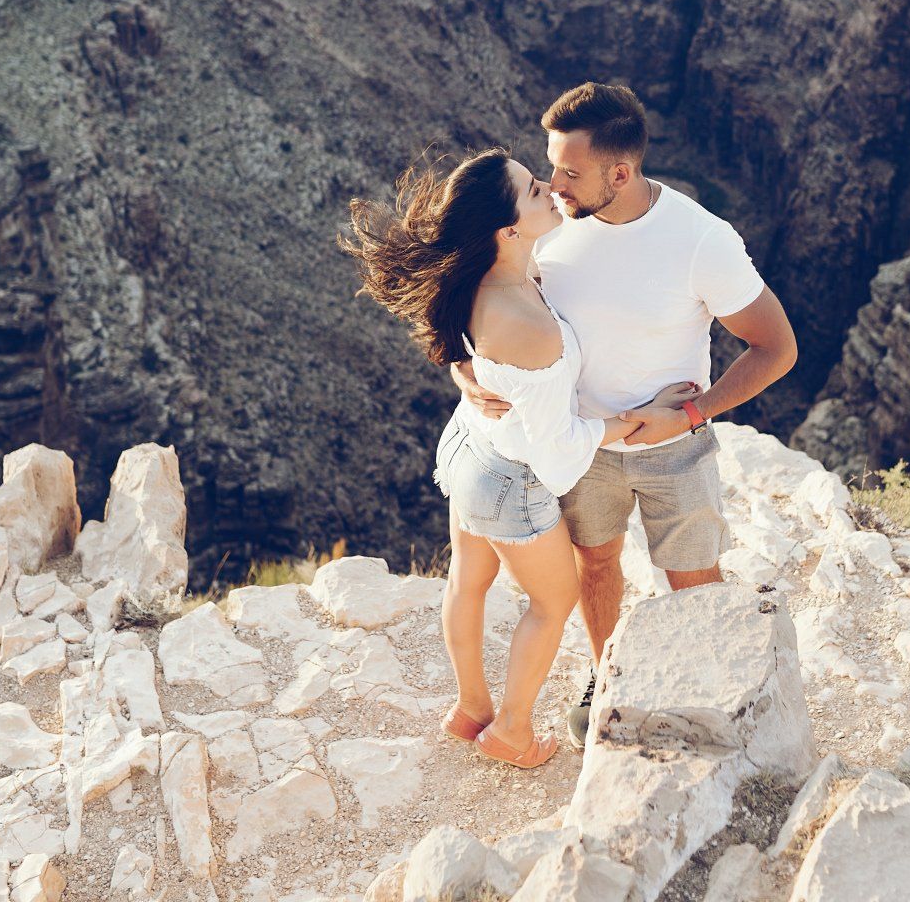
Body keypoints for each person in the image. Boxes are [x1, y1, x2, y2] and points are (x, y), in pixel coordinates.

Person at [453, 82, 797, 747]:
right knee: (596, 565)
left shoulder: (702, 240)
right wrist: (464, 369)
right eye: (549, 166)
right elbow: (472, 298)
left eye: (570, 172)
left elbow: (776, 347)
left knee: (693, 580)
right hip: (582, 448)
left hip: (674, 447)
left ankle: (703, 690)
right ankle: (609, 673)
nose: (553, 185)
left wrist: (692, 414)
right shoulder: (546, 231)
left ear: (621, 172)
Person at [341, 148, 696, 769]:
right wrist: (646, 417)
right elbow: (556, 449)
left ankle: (470, 707)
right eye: (535, 190)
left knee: (467, 581)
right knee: (554, 603)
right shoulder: (534, 327)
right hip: (510, 479)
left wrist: (464, 373)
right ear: (507, 230)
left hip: (469, 449)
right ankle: (511, 731)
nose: (552, 189)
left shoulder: (482, 277)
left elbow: (472, 357)